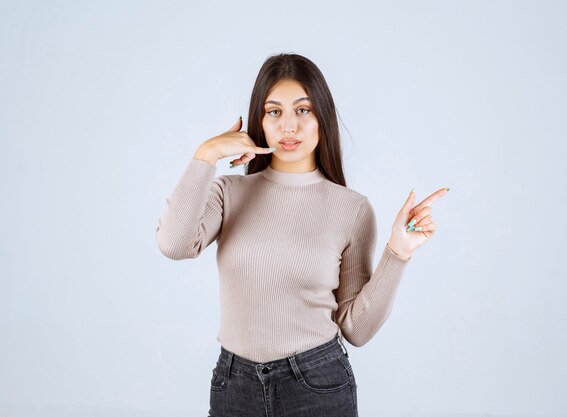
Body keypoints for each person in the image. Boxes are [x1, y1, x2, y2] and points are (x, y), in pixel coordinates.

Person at [155, 53, 448, 417]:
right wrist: (206, 155)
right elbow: (174, 243)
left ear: (322, 117)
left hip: (315, 384)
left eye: (303, 110)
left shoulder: (352, 209)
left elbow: (356, 329)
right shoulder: (228, 193)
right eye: (274, 111)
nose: (288, 126)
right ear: (259, 120)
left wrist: (399, 252)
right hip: (234, 385)